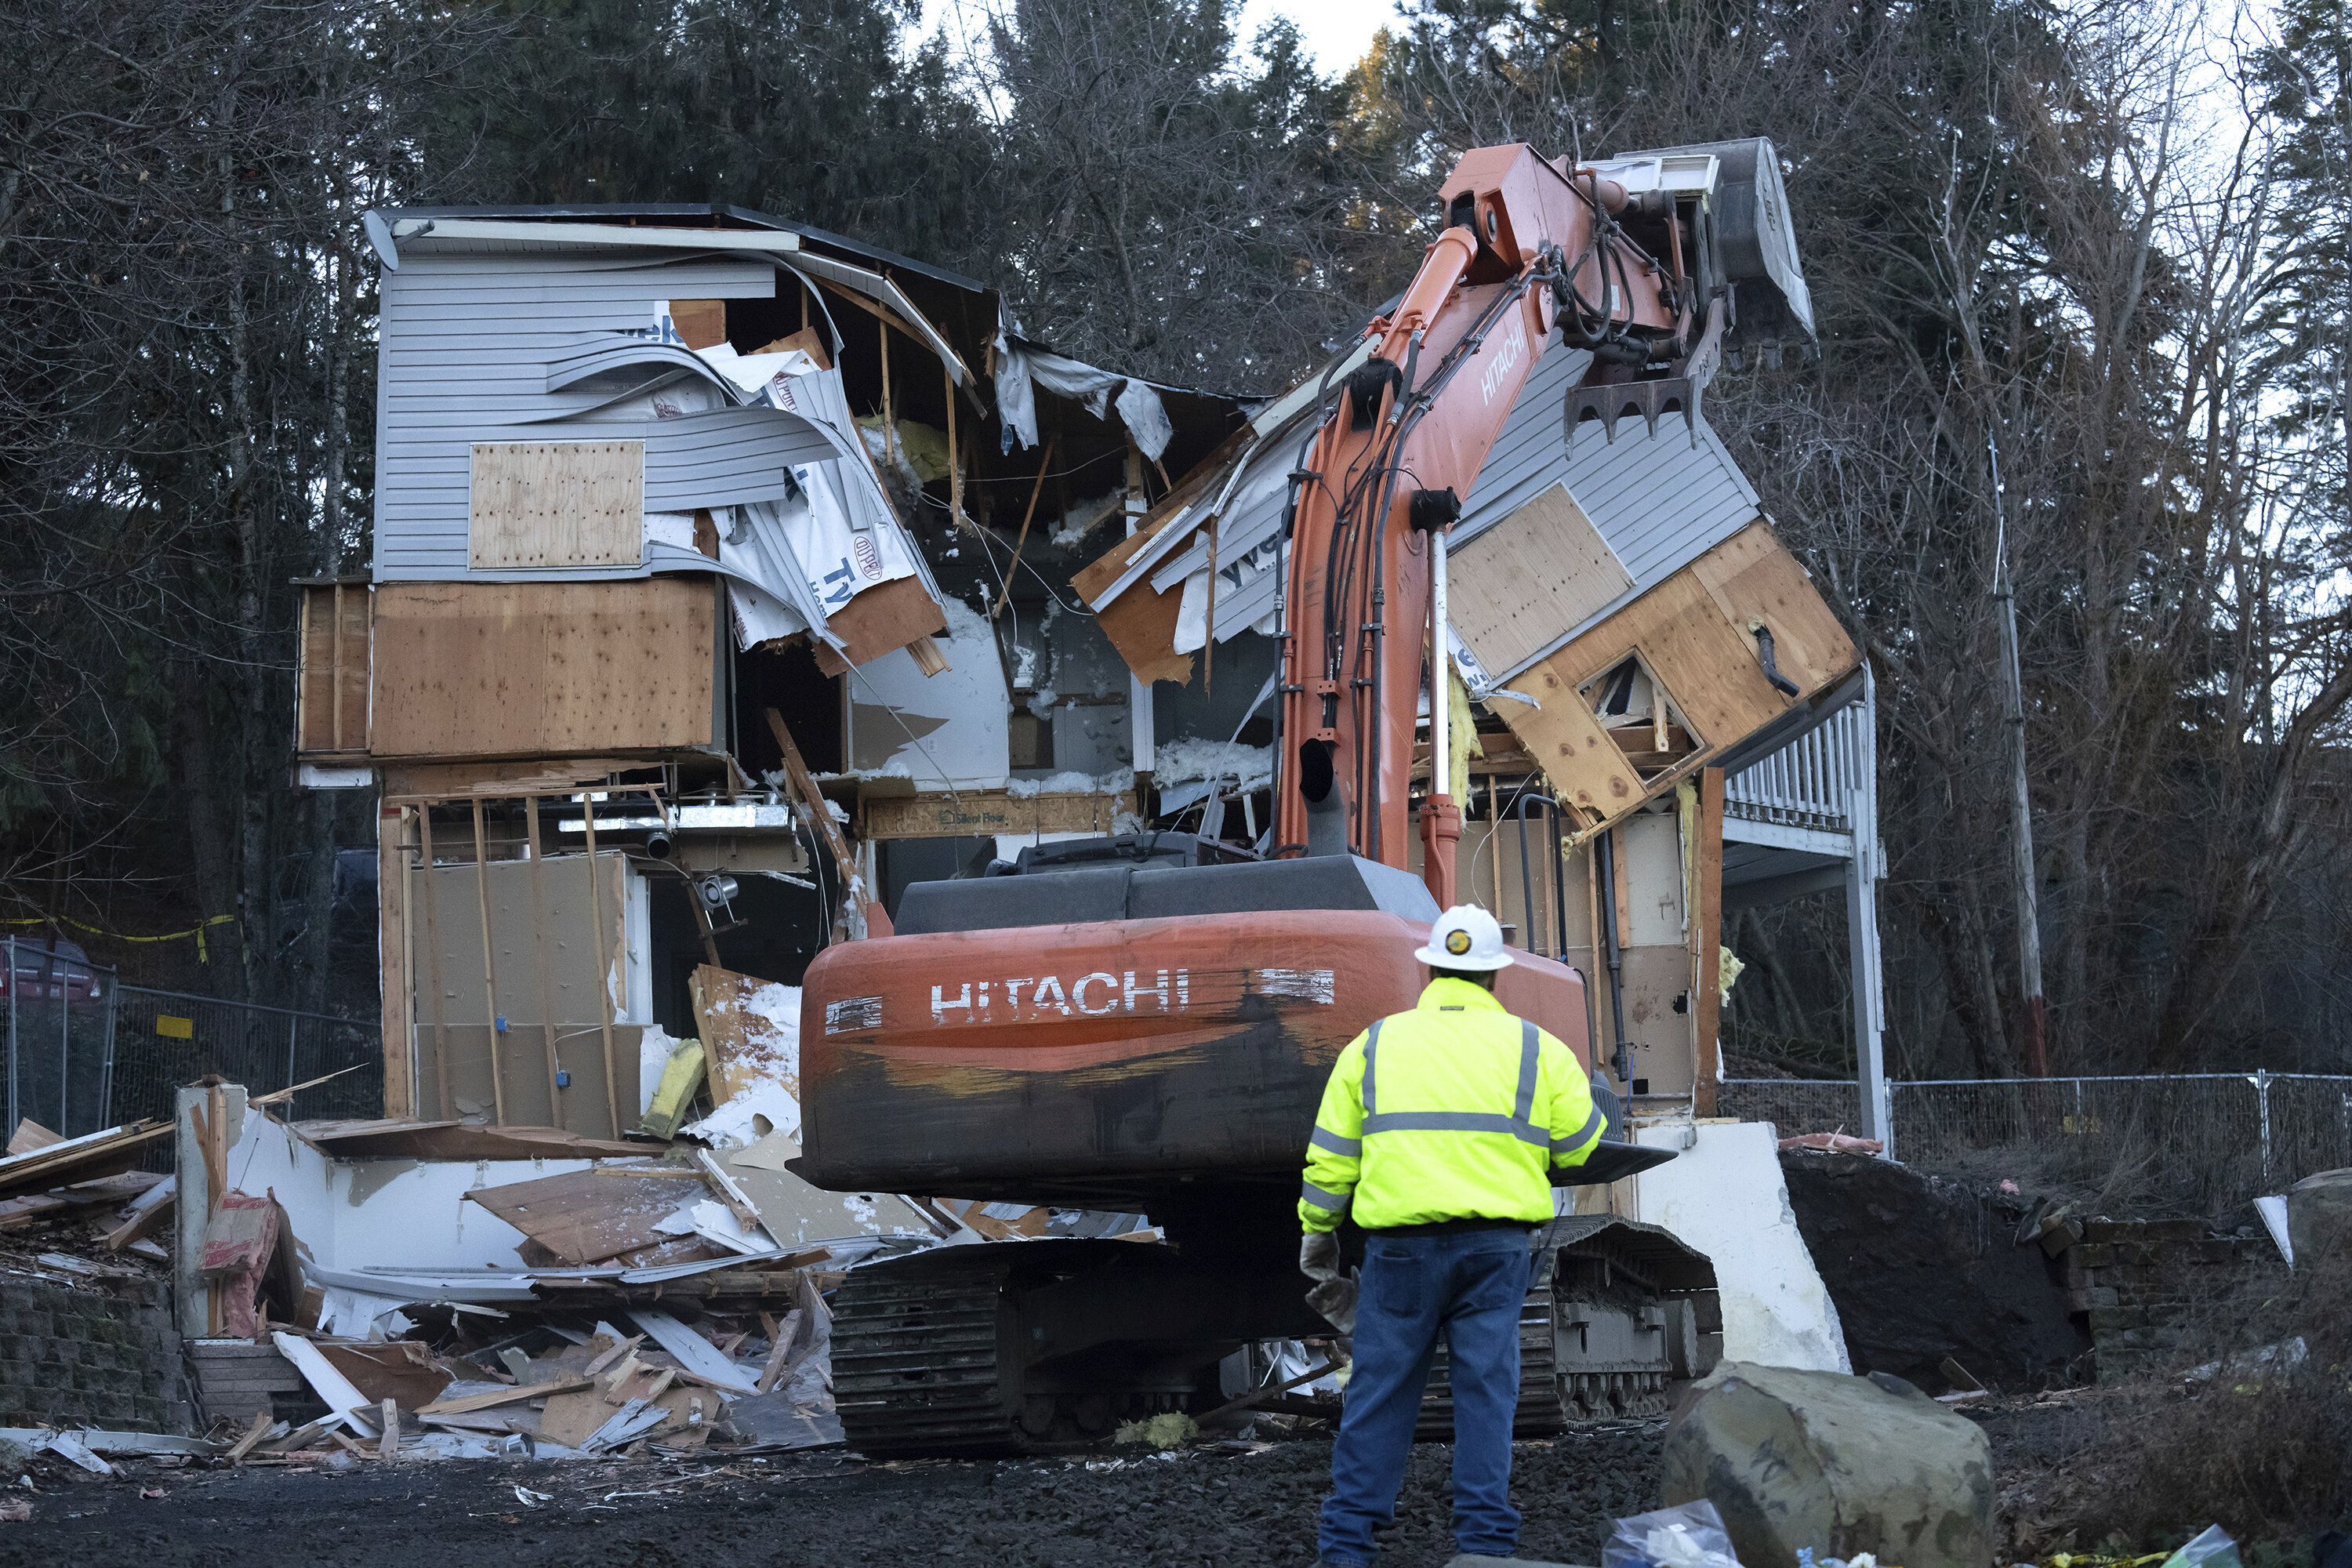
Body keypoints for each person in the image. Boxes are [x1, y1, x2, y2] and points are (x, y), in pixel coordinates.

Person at [1297, 904, 1607, 1568]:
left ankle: (1346, 1550)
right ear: (1495, 978)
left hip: (1399, 1255)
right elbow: (1583, 1148)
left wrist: (1318, 1239)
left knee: (1379, 1393)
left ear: (1430, 969)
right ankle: (1485, 1547)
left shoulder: (1373, 1046)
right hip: (1495, 1253)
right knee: (1486, 1395)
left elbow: (1329, 1161)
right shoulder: (1537, 1048)